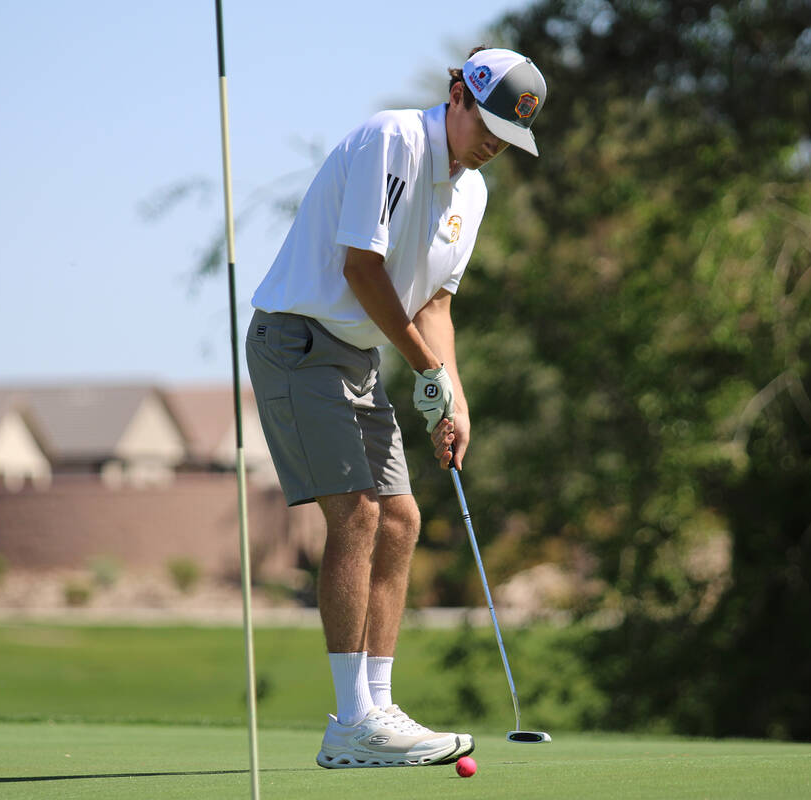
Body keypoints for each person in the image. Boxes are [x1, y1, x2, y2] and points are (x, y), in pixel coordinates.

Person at [245, 46, 547, 769]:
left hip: (356, 354)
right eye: (489, 128)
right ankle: (351, 720)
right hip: (296, 340)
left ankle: (378, 708)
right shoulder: (394, 141)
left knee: (402, 517)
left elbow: (436, 300)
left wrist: (454, 395)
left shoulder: (471, 193)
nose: (493, 147)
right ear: (459, 96)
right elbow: (361, 268)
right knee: (355, 511)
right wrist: (422, 369)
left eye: (509, 140)